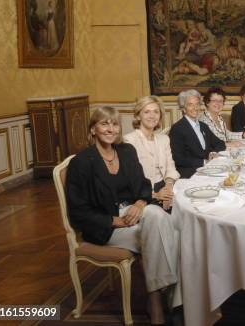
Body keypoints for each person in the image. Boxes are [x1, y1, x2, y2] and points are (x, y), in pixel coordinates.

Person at [65, 106, 177, 325]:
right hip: (105, 225)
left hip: (132, 212)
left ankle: (156, 296)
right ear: (93, 129)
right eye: (104, 123)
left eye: (115, 124)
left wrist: (140, 202)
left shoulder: (126, 151)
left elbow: (143, 184)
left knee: (157, 217)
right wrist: (114, 221)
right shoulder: (82, 162)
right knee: (160, 225)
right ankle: (162, 297)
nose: (110, 129)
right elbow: (78, 212)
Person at [124, 96, 179, 212]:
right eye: (147, 112)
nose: (152, 116)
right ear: (138, 116)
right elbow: (129, 181)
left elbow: (170, 167)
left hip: (165, 185)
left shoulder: (164, 139)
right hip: (144, 194)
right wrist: (156, 195)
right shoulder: (129, 141)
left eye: (156, 112)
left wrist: (168, 188)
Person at [169, 89, 226, 178]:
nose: (195, 108)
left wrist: (212, 153)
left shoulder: (203, 126)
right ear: (183, 108)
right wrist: (204, 162)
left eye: (197, 104)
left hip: (207, 169)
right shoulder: (177, 129)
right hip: (190, 173)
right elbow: (178, 159)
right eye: (190, 105)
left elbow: (220, 143)